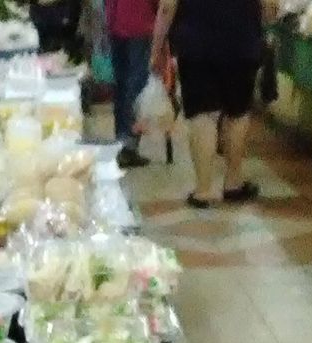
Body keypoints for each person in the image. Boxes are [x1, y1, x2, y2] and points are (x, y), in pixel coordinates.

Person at [150, 0, 277, 207]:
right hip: (241, 43)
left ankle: (203, 190)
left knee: (202, 114)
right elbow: (271, 7)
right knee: (237, 113)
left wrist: (156, 49)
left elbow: (167, 6)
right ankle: (233, 182)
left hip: (195, 46)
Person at [106, 0, 157, 168]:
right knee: (135, 84)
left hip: (115, 20)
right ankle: (128, 144)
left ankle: (121, 141)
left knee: (122, 85)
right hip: (139, 23)